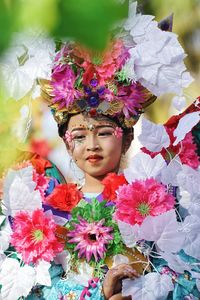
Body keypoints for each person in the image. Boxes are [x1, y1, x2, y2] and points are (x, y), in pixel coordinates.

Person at [0, 2, 200, 300]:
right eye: (79, 136)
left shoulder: (161, 198)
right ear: (67, 142)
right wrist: (99, 294)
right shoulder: (46, 212)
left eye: (105, 133)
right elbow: (37, 290)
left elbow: (185, 273)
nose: (92, 145)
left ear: (128, 137)